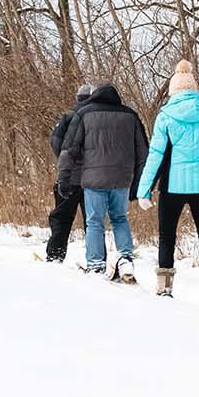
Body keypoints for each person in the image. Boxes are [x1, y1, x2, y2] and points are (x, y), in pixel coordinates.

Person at [134, 60, 199, 306]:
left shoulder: (166, 117)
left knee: (167, 237)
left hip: (173, 187)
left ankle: (164, 289)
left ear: (173, 91)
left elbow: (156, 155)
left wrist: (144, 190)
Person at [56, 82, 148, 281]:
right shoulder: (130, 115)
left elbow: (69, 149)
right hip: (122, 180)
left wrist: (63, 177)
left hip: (94, 180)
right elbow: (143, 153)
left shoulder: (84, 114)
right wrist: (140, 184)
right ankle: (125, 257)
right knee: (119, 218)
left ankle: (96, 264)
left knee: (95, 222)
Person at [45, 86, 93, 262]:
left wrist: (66, 160)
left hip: (69, 177)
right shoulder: (96, 116)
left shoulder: (69, 115)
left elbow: (55, 141)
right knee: (92, 223)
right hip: (92, 178)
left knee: (62, 218)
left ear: (78, 98)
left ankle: (55, 255)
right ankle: (96, 259)